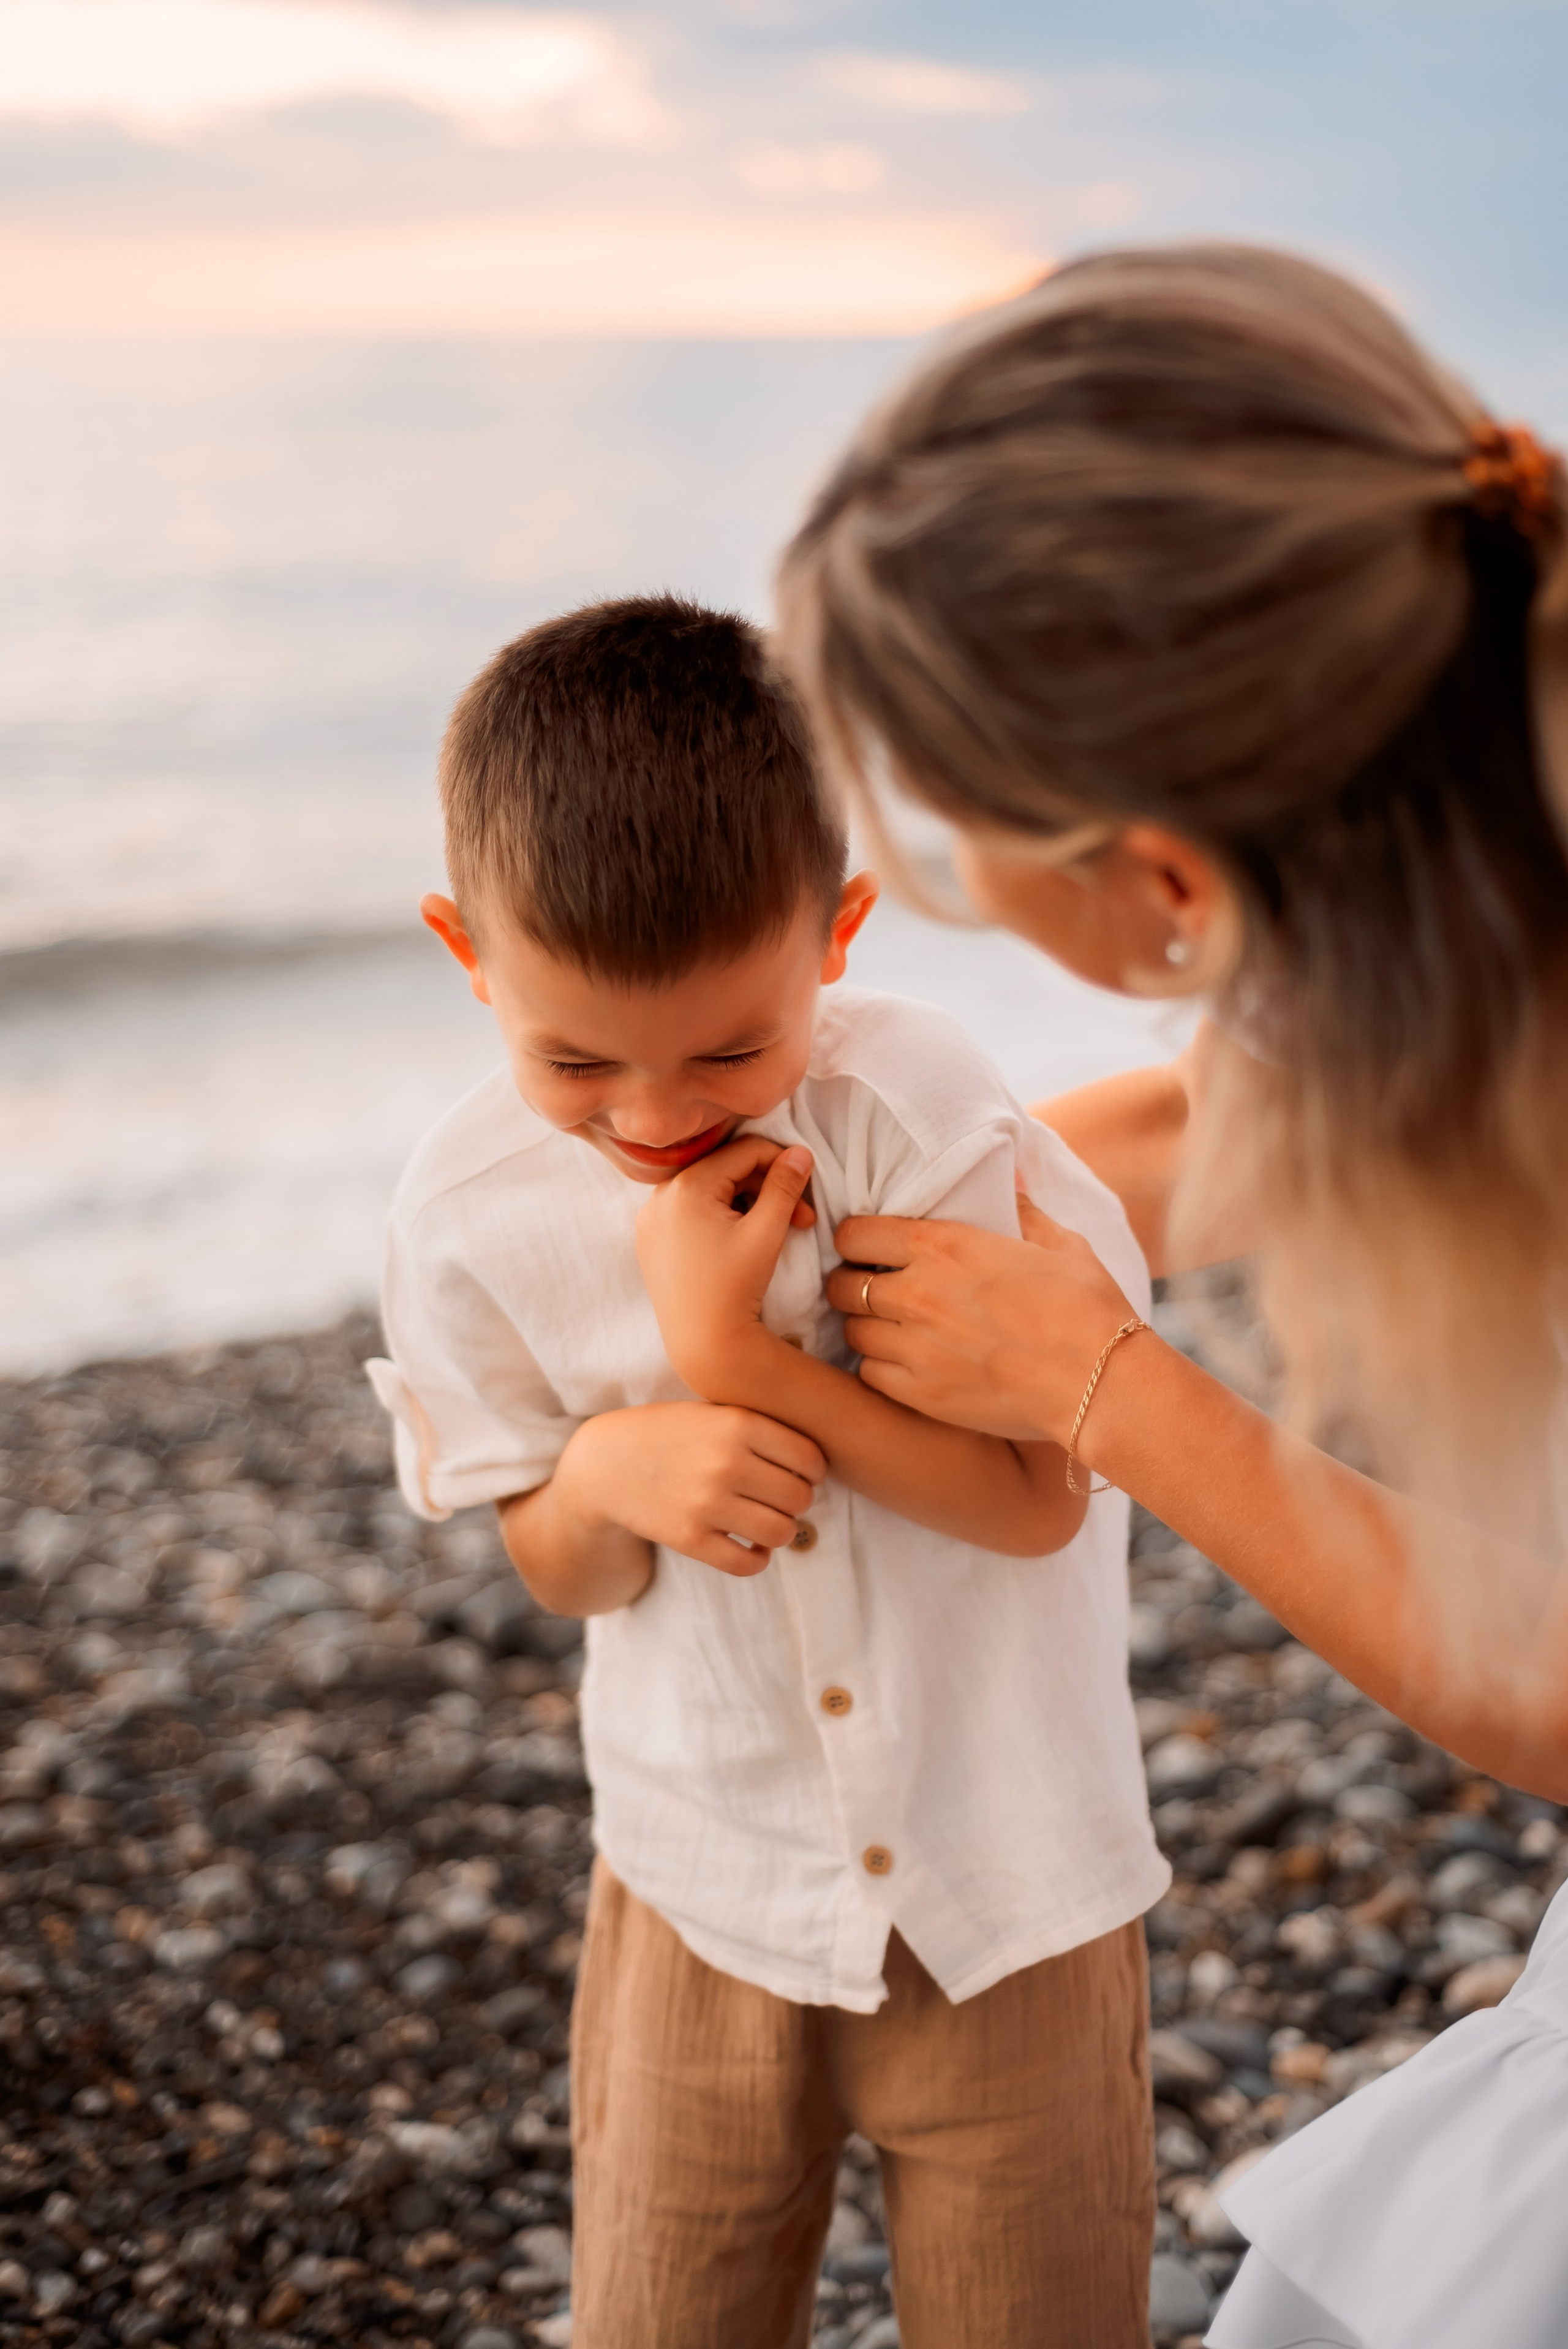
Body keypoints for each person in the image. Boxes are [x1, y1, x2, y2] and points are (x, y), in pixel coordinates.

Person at [769, 244, 1568, 2349]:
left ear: (1170, 880)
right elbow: (1232, 1124)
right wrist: (802, 1198)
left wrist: (1119, 1389)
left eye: (944, 841)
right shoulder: (1454, 851)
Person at [364, 594, 1169, 2349]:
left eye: (731, 1046)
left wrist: (737, 1362)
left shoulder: (915, 1116)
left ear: (839, 934)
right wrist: (602, 1476)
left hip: (1008, 1877)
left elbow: (1035, 1496)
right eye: (575, 1058)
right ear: (465, 954)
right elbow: (558, 1564)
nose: (656, 1113)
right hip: (700, 1881)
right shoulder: (467, 1211)